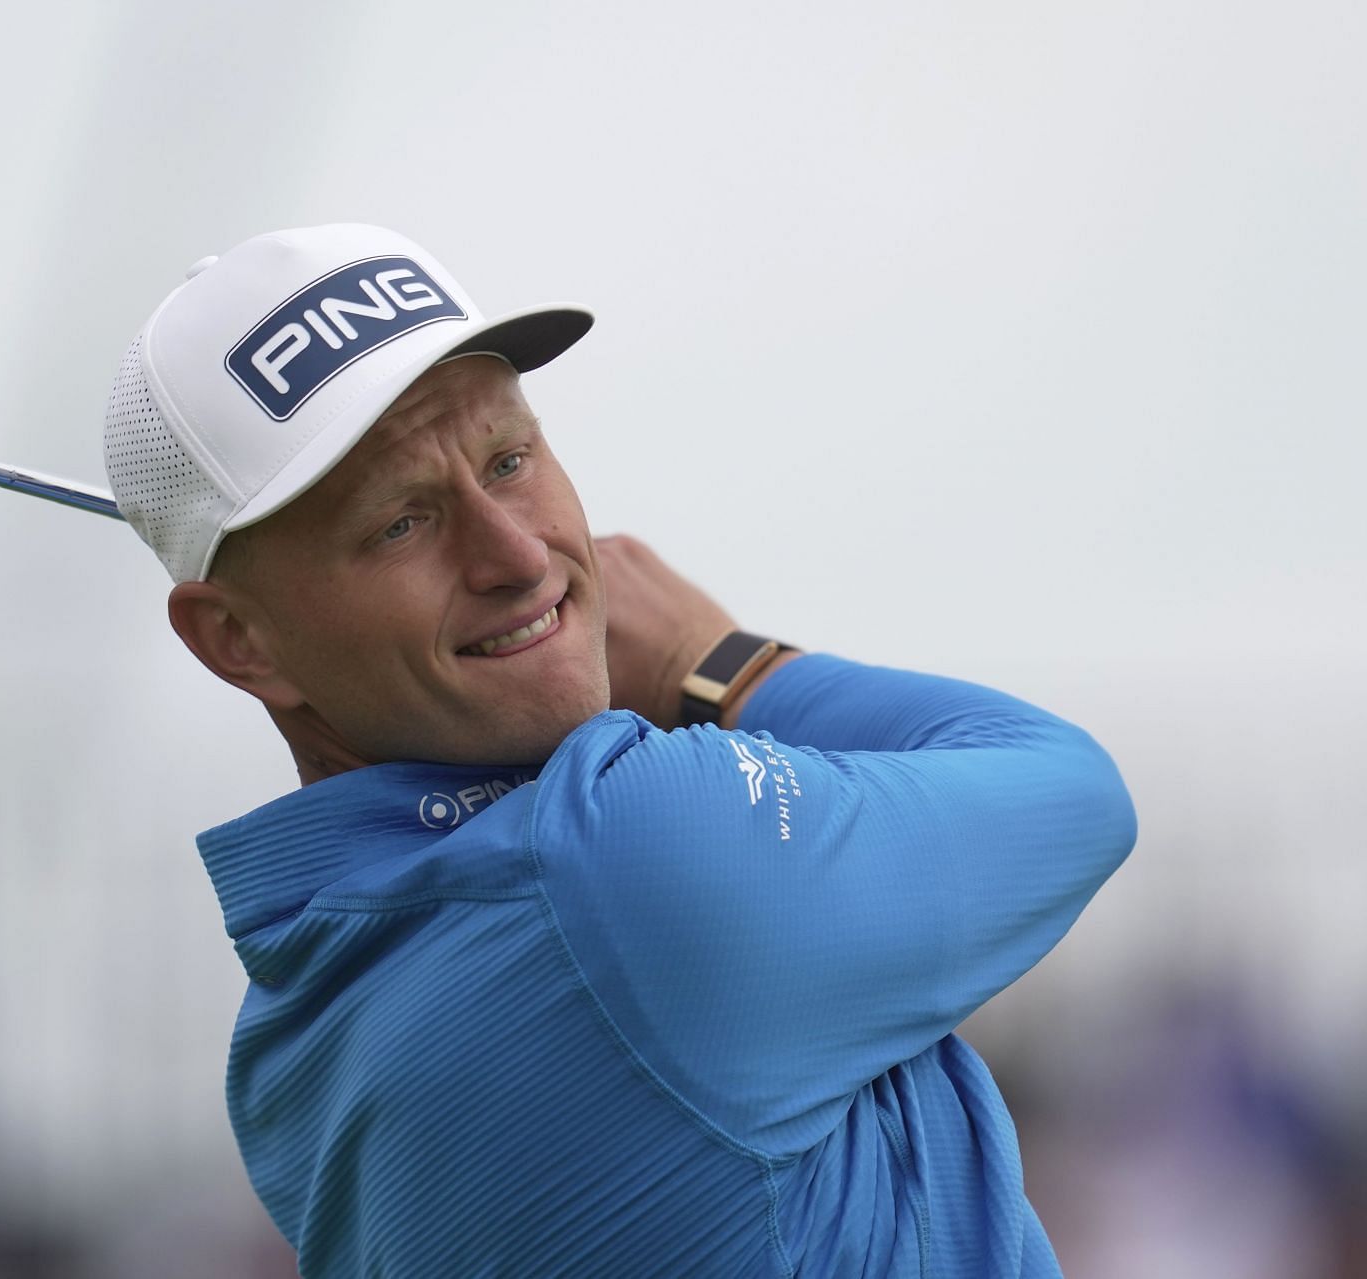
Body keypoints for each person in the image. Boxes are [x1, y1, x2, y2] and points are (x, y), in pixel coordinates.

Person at [102, 223, 1137, 1277]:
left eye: (508, 460)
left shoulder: (291, 1035)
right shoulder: (623, 860)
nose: (516, 554)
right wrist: (719, 660)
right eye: (400, 524)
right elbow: (1069, 790)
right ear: (241, 639)